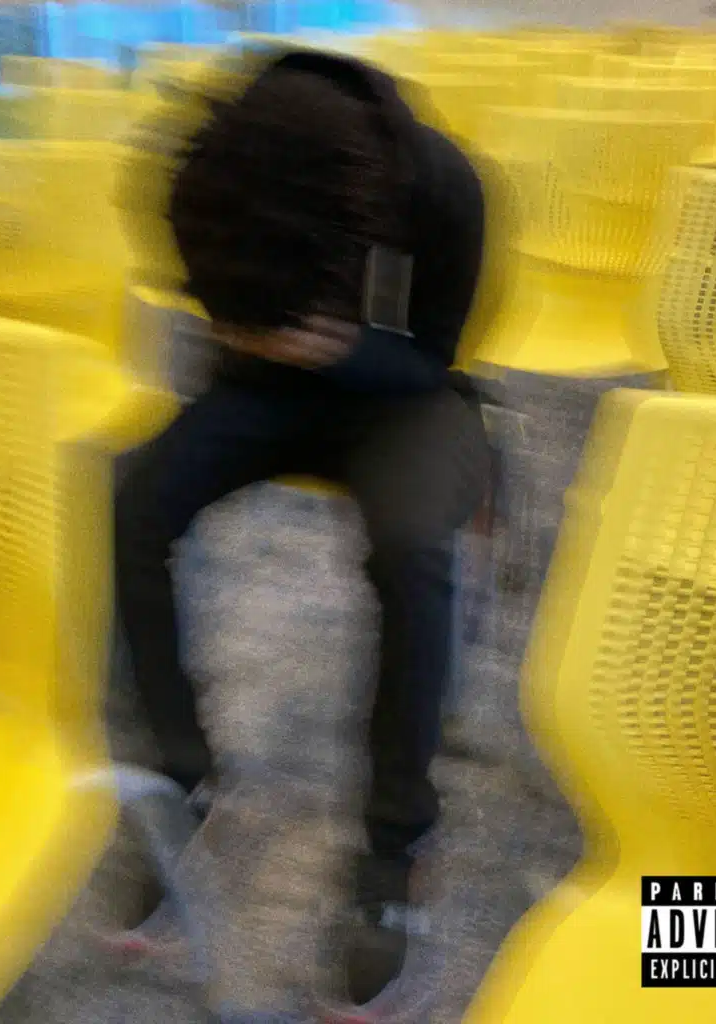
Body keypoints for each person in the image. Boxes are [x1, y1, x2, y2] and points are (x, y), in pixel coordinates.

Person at [115, 45, 491, 1012]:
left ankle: (396, 842)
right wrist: (253, 339)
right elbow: (229, 326)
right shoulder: (220, 173)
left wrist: (338, 349)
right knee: (135, 500)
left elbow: (439, 361)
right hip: (266, 384)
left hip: (401, 394)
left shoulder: (444, 185)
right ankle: (184, 767)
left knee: (411, 548)